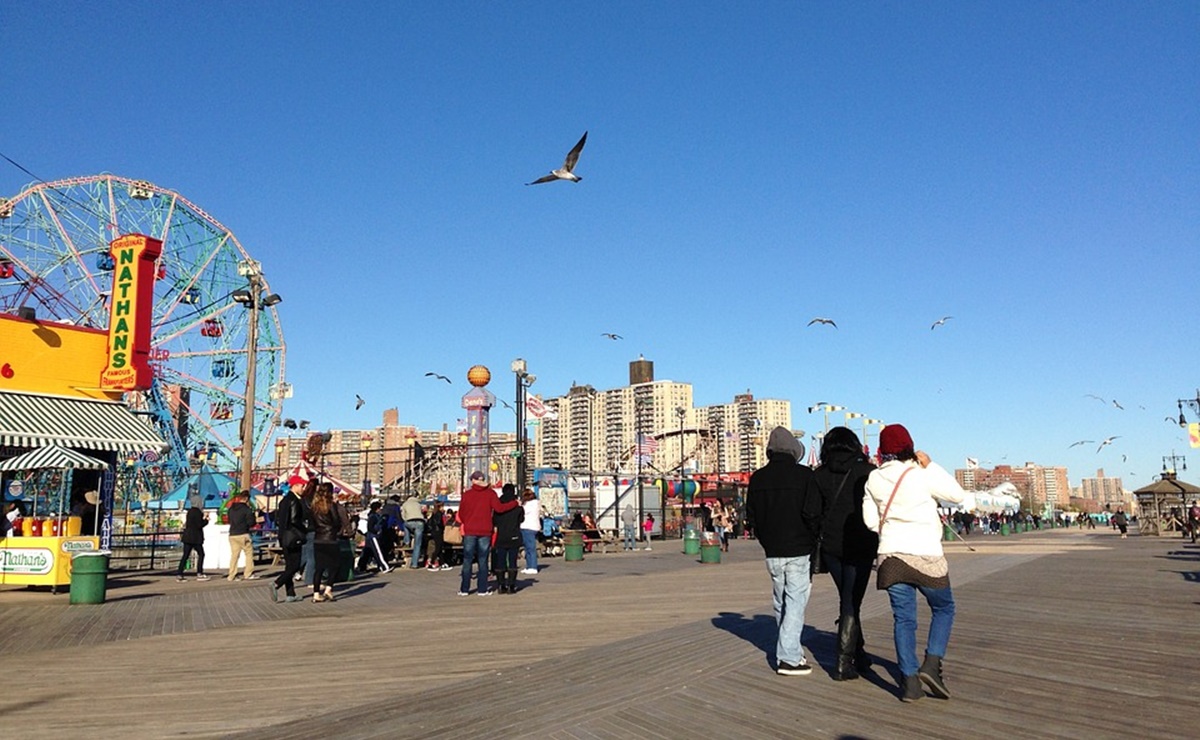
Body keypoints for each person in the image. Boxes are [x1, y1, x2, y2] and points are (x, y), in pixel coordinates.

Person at [862, 423, 965, 702]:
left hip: (892, 555)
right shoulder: (921, 474)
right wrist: (930, 466)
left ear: (882, 451)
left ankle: (908, 682)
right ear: (909, 446)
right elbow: (957, 496)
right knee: (944, 608)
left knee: (904, 619)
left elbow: (871, 522)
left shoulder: (873, 479)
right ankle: (931, 664)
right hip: (925, 554)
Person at [745, 426, 821, 676]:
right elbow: (813, 513)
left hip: (772, 551)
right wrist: (812, 539)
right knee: (795, 602)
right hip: (799, 549)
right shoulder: (804, 476)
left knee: (781, 601)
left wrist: (765, 539)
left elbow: (752, 517)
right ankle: (788, 657)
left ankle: (791, 649)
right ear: (793, 450)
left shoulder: (757, 478)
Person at [812, 426, 878, 681]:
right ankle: (842, 662)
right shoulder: (868, 473)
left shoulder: (819, 476)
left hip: (831, 547)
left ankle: (858, 654)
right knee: (852, 601)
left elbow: (812, 512)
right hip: (860, 545)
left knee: (848, 598)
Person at [457, 471, 519, 596]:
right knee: (483, 560)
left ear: (473, 481)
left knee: (467, 560)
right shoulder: (491, 493)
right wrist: (514, 503)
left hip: (470, 530)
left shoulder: (467, 495)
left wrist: (468, 522)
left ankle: (464, 589)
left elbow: (461, 513)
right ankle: (482, 589)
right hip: (485, 530)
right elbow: (499, 509)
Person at [310, 482, 349, 602]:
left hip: (318, 538)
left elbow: (312, 523)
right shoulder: (331, 505)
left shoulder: (314, 506)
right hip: (330, 538)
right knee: (335, 565)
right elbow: (337, 521)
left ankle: (316, 594)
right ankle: (328, 589)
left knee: (319, 568)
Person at [271, 482, 309, 602]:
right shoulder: (294, 500)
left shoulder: (284, 500)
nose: (303, 488)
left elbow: (278, 519)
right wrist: (304, 529)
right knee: (295, 565)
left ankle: (290, 593)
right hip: (293, 536)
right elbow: (294, 520)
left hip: (284, 536)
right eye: (302, 486)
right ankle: (277, 583)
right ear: (295, 486)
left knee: (289, 565)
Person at [492, 483, 524, 593]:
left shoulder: (498, 506)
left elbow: (494, 521)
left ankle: (501, 585)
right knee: (512, 560)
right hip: (514, 535)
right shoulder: (518, 507)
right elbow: (521, 520)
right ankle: (511, 585)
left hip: (501, 536)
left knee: (500, 560)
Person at [226, 491, 260, 581]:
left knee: (234, 555)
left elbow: (229, 520)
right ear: (246, 499)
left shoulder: (231, 509)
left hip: (232, 534)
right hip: (243, 534)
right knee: (249, 553)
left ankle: (231, 575)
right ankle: (248, 573)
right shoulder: (247, 509)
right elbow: (251, 523)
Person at [176, 496, 211, 582]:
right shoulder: (198, 512)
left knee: (185, 556)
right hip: (195, 538)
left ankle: (179, 573)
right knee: (201, 554)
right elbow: (199, 525)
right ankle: (199, 573)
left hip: (187, 537)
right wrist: (206, 520)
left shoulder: (190, 512)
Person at [355, 500, 392, 574]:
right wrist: (377, 531)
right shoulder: (373, 516)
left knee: (366, 552)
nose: (381, 509)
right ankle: (384, 567)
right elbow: (370, 527)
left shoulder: (373, 515)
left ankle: (361, 566)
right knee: (378, 552)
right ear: (377, 508)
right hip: (373, 536)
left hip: (370, 536)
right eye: (380, 508)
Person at [520, 489, 541, 573]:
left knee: (530, 548)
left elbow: (522, 511)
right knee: (528, 548)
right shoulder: (536, 503)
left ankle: (532, 567)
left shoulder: (529, 505)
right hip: (533, 527)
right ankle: (529, 566)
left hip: (528, 527)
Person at [402, 494, 425, 569]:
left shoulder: (405, 504)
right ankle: (414, 564)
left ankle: (407, 540)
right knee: (417, 544)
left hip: (409, 522)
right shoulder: (418, 504)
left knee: (405, 525)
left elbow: (403, 516)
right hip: (420, 522)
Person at [425, 502, 448, 571]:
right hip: (438, 532)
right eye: (442, 506)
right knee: (438, 548)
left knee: (440, 548)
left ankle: (442, 563)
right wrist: (443, 527)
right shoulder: (439, 514)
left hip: (434, 532)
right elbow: (439, 523)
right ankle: (431, 562)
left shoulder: (434, 513)